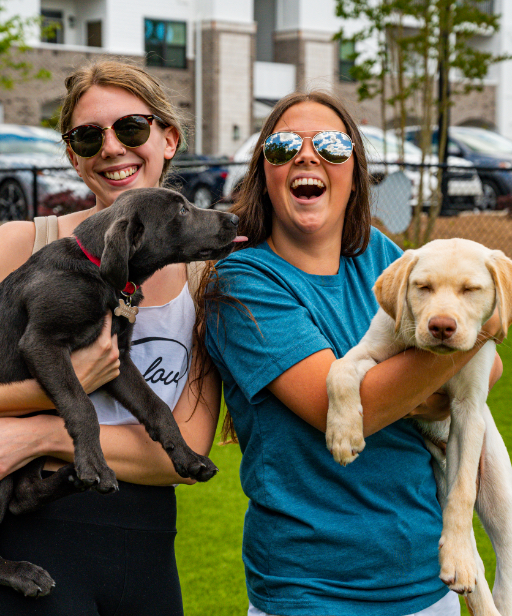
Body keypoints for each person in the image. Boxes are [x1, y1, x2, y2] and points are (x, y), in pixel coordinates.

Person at [203, 91, 503, 616]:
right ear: (263, 171)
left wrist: (448, 344)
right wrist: (467, 329)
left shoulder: (386, 258)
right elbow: (337, 410)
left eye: (333, 145)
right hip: (312, 591)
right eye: (283, 145)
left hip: (426, 581)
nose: (307, 155)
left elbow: (489, 368)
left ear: (355, 171)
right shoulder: (243, 282)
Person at [0, 60, 220, 615]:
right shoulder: (22, 245)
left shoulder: (205, 280)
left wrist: (37, 434)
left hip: (147, 543)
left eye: (132, 128)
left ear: (168, 138)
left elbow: (187, 451)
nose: (112, 148)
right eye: (88, 136)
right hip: (34, 538)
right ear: (72, 155)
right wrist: (61, 403)